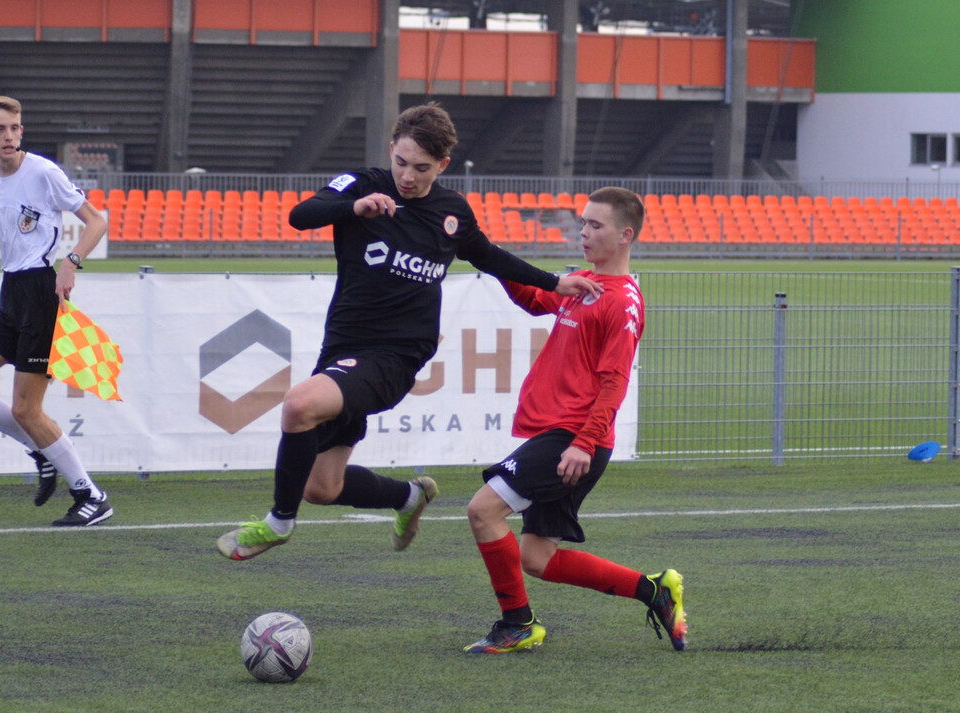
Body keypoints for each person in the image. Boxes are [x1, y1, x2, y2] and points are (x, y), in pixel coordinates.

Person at [217, 102, 601, 561]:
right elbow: (303, 214)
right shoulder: (364, 184)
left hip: (396, 357)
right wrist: (353, 207)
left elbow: (489, 256)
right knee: (322, 488)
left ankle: (278, 524)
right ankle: (407, 497)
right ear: (391, 151)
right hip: (343, 352)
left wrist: (555, 282)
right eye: (401, 162)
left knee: (299, 404)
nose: (408, 176)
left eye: (421, 168)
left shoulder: (451, 212)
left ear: (442, 165)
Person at [463, 187, 687, 654]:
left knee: (483, 511)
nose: (583, 232)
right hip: (562, 435)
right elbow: (532, 298)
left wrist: (583, 443)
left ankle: (518, 624)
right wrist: (486, 254)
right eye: (582, 223)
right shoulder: (583, 282)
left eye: (595, 225)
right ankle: (655, 591)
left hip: (575, 437)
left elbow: (614, 383)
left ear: (625, 236)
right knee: (536, 558)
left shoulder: (622, 302)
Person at [0, 95, 113, 527]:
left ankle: (91, 495)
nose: (9, 136)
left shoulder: (44, 172)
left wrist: (71, 262)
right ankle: (42, 451)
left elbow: (96, 221)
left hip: (41, 292)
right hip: (10, 295)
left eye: (15, 128)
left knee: (26, 410)